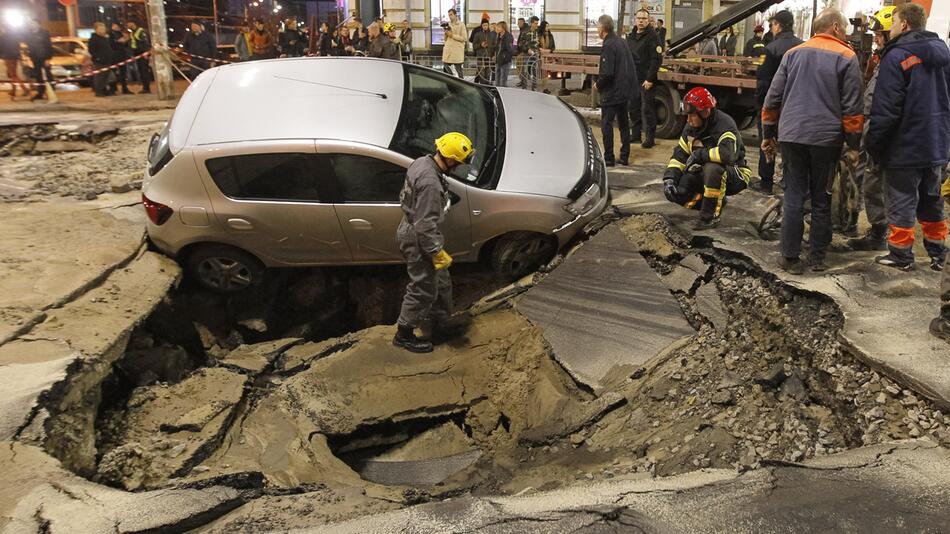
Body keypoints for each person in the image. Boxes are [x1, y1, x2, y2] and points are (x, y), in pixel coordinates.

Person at [761, 8, 863, 274]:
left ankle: (789, 257)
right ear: (837, 28)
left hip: (792, 135)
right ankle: (817, 258)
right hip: (825, 139)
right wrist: (853, 146)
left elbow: (772, 98)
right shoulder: (847, 56)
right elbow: (853, 108)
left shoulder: (792, 54)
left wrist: (767, 134)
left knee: (793, 194)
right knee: (822, 198)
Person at [867, 2, 950, 272]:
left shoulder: (896, 55)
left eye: (892, 24)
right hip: (936, 143)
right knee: (931, 198)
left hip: (904, 145)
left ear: (903, 25)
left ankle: (901, 255)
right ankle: (939, 255)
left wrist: (875, 145)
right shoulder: (943, 54)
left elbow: (887, 108)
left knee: (901, 199)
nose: (889, 30)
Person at [393, 132, 475, 353]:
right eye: (457, 162)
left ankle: (440, 322)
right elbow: (424, 226)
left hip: (417, 231)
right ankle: (404, 334)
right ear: (449, 158)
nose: (458, 166)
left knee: (442, 281)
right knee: (423, 288)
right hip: (419, 239)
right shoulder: (431, 183)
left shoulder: (422, 162)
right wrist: (435, 251)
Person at [663, 87, 752, 230]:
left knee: (713, 168)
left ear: (705, 112)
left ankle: (709, 216)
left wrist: (699, 155)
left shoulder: (725, 125)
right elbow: (679, 156)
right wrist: (669, 179)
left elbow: (727, 155)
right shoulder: (690, 127)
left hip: (736, 174)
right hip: (707, 174)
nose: (688, 119)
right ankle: (715, 201)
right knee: (677, 191)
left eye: (692, 115)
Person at [848, 7, 895, 251]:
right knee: (863, 175)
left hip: (880, 126)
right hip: (871, 123)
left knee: (876, 180)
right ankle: (858, 220)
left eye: (879, 33)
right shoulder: (884, 57)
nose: (875, 38)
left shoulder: (895, 59)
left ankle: (880, 233)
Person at [752, 10, 802, 194]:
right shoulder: (803, 47)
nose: (771, 28)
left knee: (768, 142)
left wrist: (760, 107)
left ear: (778, 25)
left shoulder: (771, 49)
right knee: (791, 147)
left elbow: (763, 83)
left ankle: (766, 183)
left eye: (772, 24)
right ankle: (788, 182)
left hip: (773, 106)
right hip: (795, 107)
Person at [594, 14, 637, 168]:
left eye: (598, 26)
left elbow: (607, 73)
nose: (597, 29)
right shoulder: (621, 41)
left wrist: (598, 85)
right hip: (624, 92)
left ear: (603, 28)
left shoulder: (608, 45)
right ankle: (624, 157)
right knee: (624, 124)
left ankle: (609, 159)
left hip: (612, 93)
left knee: (606, 125)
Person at [626, 8, 662, 149]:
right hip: (633, 79)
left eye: (644, 19)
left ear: (648, 20)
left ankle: (650, 138)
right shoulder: (631, 36)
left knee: (647, 109)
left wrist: (650, 79)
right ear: (635, 19)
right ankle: (635, 135)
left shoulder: (653, 37)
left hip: (646, 80)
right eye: (639, 18)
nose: (641, 21)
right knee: (633, 107)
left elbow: (656, 59)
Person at [25, 18, 53, 102]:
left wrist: (48, 58)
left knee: (48, 75)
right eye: (30, 23)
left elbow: (48, 46)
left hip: (44, 57)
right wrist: (30, 57)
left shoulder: (44, 33)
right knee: (38, 76)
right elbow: (29, 47)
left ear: (38, 24)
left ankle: (51, 92)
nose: (31, 25)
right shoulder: (29, 34)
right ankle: (40, 93)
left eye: (33, 23)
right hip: (35, 58)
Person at [1, 25, 29, 99]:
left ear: (4, 29)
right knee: (13, 74)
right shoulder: (14, 37)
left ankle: (25, 89)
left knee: (13, 75)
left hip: (8, 57)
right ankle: (13, 90)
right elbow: (18, 47)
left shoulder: (3, 37)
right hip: (14, 58)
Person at [89, 22, 114, 97]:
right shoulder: (93, 39)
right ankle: (98, 91)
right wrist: (98, 58)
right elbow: (91, 50)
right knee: (100, 76)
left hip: (107, 60)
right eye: (101, 28)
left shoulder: (105, 38)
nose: (103, 30)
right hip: (99, 61)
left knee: (106, 76)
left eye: (103, 28)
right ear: (96, 29)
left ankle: (104, 89)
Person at [126, 20, 151, 93]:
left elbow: (145, 42)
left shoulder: (141, 31)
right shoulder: (132, 33)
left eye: (128, 23)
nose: (127, 25)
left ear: (133, 23)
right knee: (141, 71)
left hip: (143, 54)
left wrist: (146, 53)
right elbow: (133, 44)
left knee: (144, 71)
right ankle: (144, 87)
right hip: (137, 55)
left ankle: (147, 88)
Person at [442, 9, 466, 77]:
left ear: (455, 15)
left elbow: (464, 38)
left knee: (458, 71)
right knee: (447, 70)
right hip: (448, 52)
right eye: (449, 15)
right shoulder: (447, 25)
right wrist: (446, 34)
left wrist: (452, 35)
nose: (450, 16)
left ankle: (460, 85)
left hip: (457, 52)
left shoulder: (461, 25)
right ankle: (450, 86)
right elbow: (445, 40)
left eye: (451, 14)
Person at [108, 22, 131, 95]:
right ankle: (113, 89)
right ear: (114, 25)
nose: (119, 28)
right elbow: (110, 44)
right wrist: (118, 41)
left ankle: (125, 88)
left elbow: (125, 44)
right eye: (118, 26)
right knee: (113, 72)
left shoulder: (120, 33)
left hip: (122, 55)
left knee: (123, 73)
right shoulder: (110, 33)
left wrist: (126, 40)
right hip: (113, 55)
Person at [472, 18, 496, 84]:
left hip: (489, 56)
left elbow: (495, 45)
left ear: (488, 25)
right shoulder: (477, 34)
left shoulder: (492, 34)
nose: (485, 27)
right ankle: (482, 86)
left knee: (488, 74)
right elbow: (474, 46)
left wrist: (493, 54)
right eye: (484, 25)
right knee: (481, 74)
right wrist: (481, 45)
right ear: (481, 26)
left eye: (486, 25)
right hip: (480, 56)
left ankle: (487, 86)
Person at [494, 21, 514, 87]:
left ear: (503, 28)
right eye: (497, 27)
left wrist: (505, 59)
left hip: (505, 62)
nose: (497, 28)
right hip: (498, 60)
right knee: (497, 79)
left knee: (503, 80)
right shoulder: (498, 36)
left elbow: (510, 50)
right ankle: (497, 92)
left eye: (499, 27)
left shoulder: (508, 37)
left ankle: (503, 94)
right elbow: (497, 48)